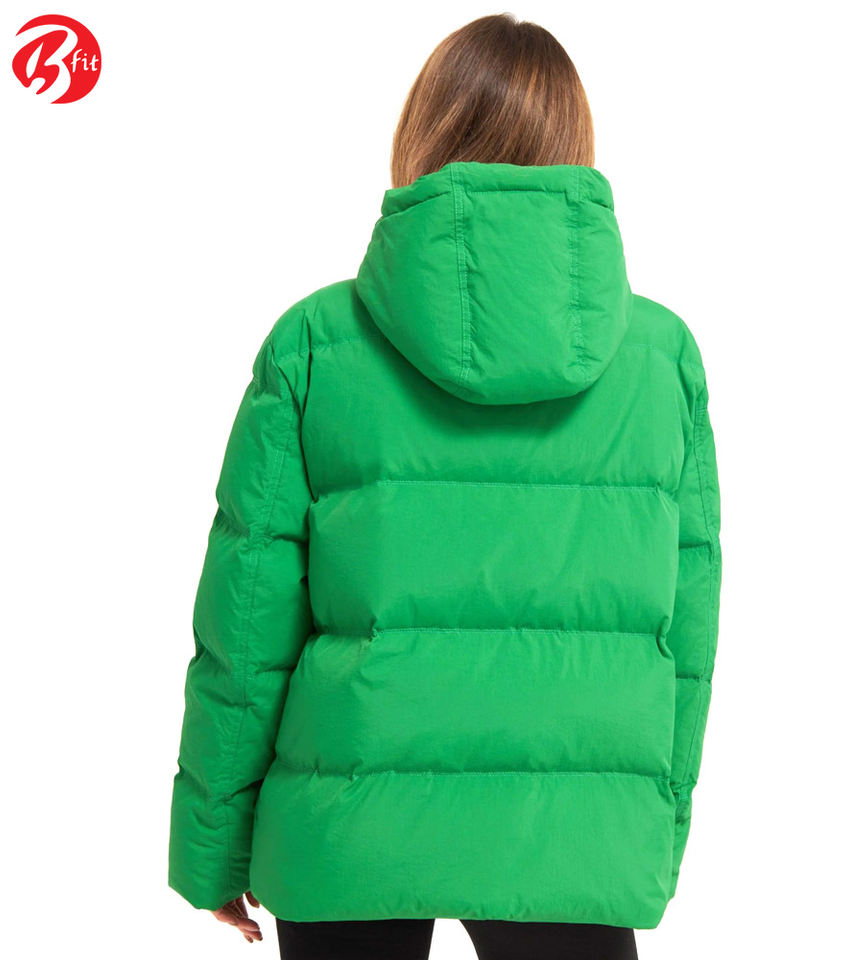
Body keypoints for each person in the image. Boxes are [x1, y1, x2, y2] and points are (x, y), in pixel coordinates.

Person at [168, 13, 722, 960]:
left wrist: (212, 845)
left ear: (421, 133)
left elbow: (246, 630)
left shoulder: (315, 344)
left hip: (349, 828)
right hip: (576, 833)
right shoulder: (661, 359)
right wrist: (651, 832)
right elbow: (687, 638)